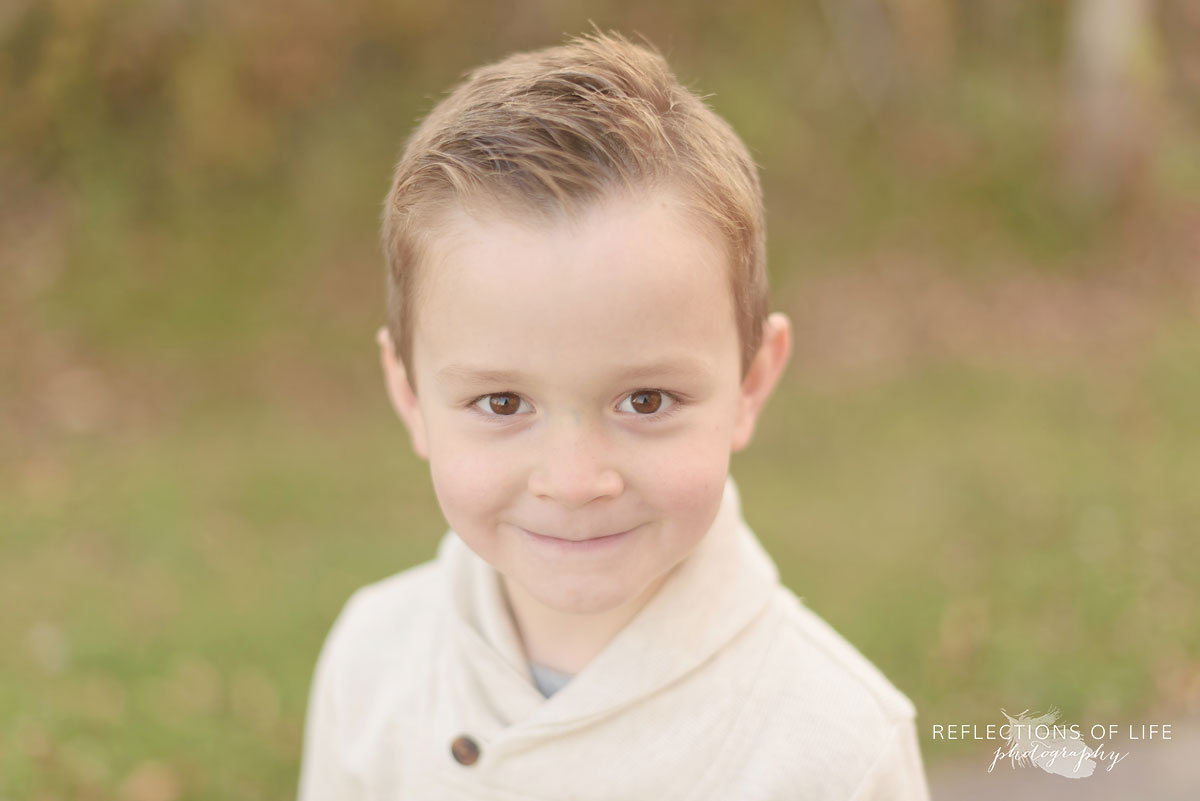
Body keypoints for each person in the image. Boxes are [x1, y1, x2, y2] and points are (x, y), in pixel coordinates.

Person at [298, 28, 931, 800]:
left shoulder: (835, 751)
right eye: (502, 402)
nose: (573, 480)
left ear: (752, 382)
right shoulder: (373, 660)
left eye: (646, 400)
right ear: (410, 396)